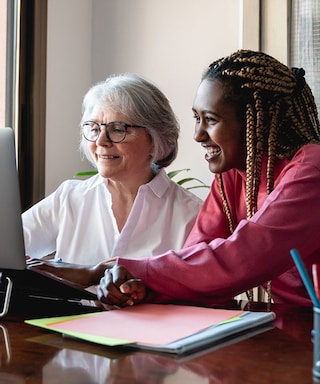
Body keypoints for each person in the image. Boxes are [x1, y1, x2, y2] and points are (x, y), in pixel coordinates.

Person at [96, 49, 320, 308]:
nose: (198, 134)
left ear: (259, 122)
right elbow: (197, 255)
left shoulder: (312, 170)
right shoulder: (233, 174)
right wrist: (138, 287)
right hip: (291, 326)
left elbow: (241, 258)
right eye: (197, 118)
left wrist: (118, 269)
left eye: (211, 120)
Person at [23, 73, 202, 268]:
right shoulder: (68, 199)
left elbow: (199, 292)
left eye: (118, 129)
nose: (101, 141)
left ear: (155, 137)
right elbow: (8, 247)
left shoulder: (191, 214)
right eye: (94, 128)